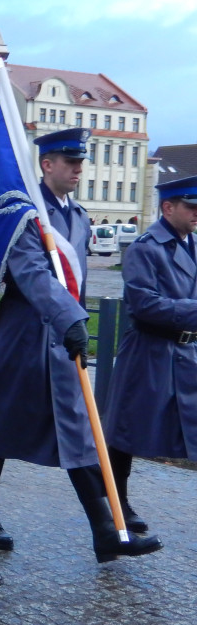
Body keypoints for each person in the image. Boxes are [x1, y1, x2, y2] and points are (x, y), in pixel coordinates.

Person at [0, 127, 162, 562]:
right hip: (23, 334)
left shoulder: (76, 215)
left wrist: (74, 318)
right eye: (69, 161)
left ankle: (105, 531)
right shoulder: (21, 212)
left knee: (79, 429)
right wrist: (72, 317)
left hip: (62, 337)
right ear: (46, 164)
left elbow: (76, 280)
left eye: (80, 162)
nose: (78, 169)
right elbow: (31, 273)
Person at [103, 176, 197, 530]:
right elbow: (144, 304)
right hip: (150, 351)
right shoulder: (145, 247)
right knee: (126, 431)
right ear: (168, 207)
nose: (196, 213)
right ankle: (116, 501)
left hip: (186, 350)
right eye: (190, 206)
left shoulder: (193, 244)